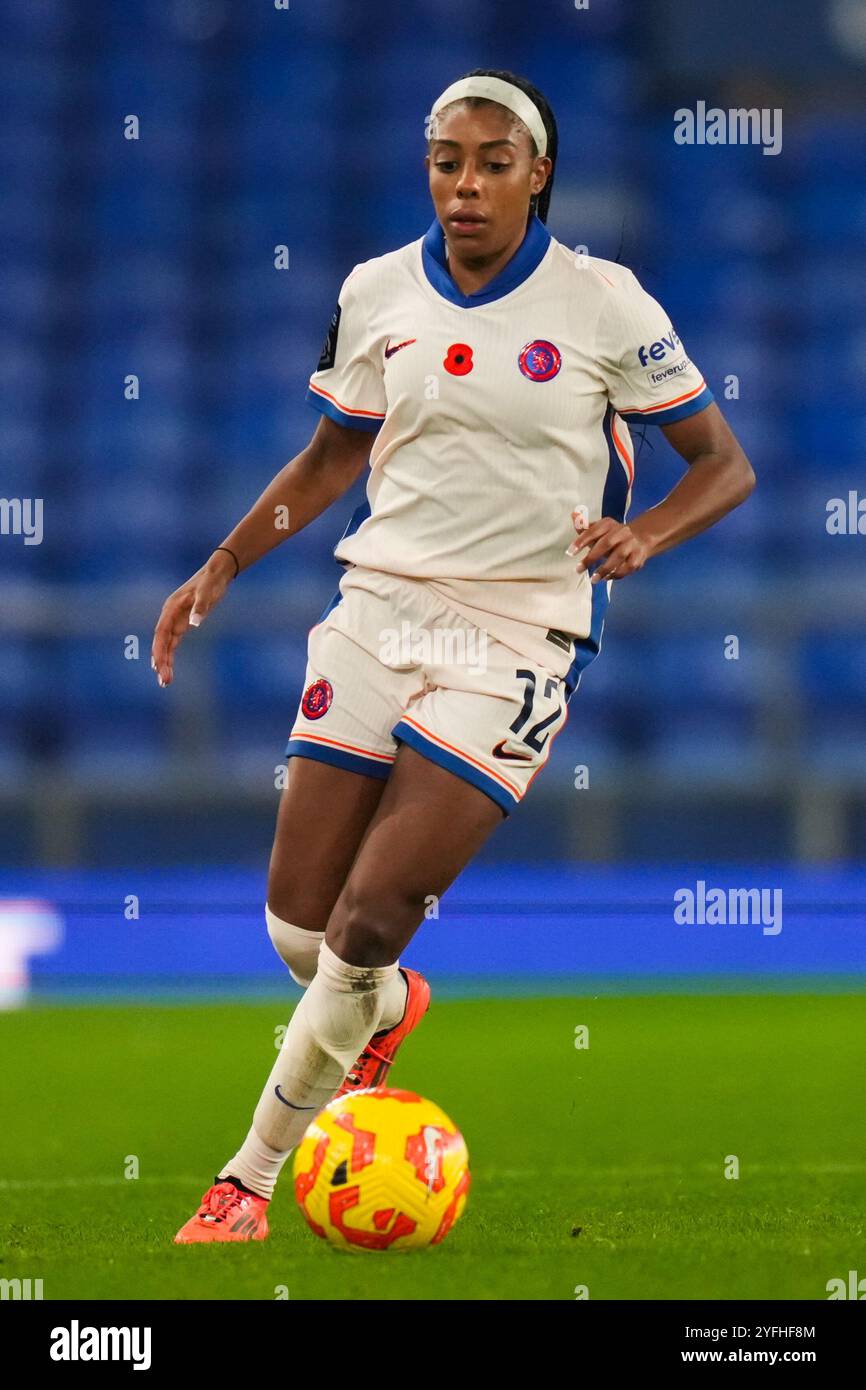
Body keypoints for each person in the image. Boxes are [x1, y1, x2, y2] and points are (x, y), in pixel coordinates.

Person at [152, 68, 756, 1243]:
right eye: (445, 161)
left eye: (490, 162)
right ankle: (384, 1008)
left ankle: (246, 1180)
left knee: (369, 918)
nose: (465, 185)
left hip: (518, 630)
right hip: (376, 609)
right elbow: (332, 458)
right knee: (296, 928)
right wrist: (222, 563)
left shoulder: (603, 304)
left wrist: (645, 533)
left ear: (538, 173)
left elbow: (721, 464)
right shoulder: (377, 290)